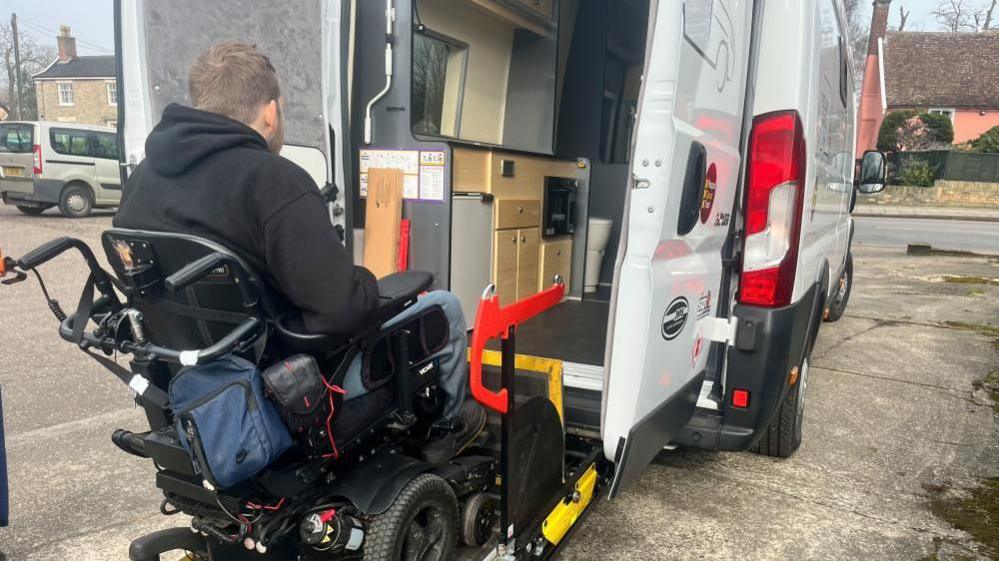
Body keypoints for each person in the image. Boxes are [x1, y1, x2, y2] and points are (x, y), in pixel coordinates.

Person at [114, 41, 485, 465]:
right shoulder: (274, 181)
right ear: (271, 112)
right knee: (445, 308)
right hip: (291, 389)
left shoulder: (144, 178)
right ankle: (447, 429)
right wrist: (365, 284)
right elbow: (340, 312)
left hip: (190, 374)